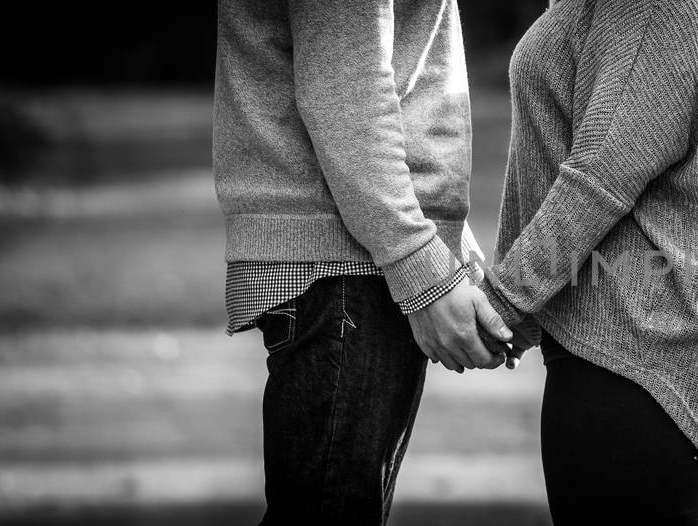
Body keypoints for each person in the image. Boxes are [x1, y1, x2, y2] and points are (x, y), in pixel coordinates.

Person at [476, 0, 698, 523]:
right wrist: (520, 310)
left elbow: (600, 176)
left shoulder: (657, 9)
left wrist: (501, 302)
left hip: (650, 343)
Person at [213, 0, 512, 523]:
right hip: (346, 261)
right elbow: (344, 90)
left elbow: (394, 66)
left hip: (359, 251)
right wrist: (421, 266)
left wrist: (447, 246)